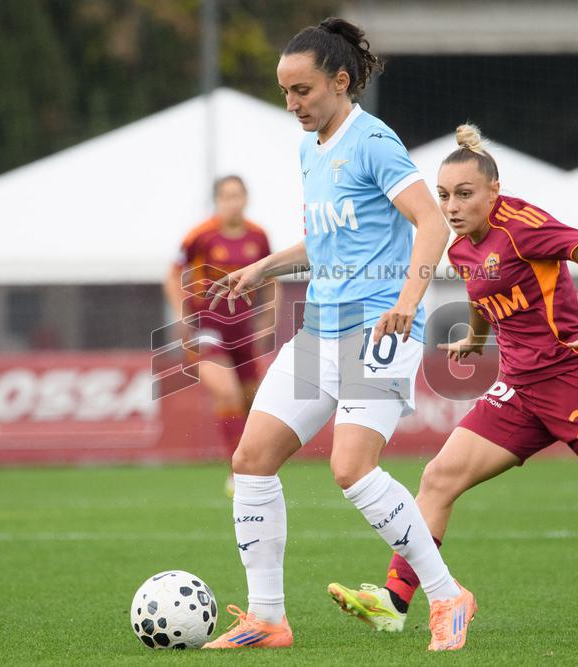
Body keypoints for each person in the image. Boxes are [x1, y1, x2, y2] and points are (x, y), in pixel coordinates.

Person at [327, 124, 578, 634]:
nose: (451, 207)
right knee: (437, 478)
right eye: (444, 196)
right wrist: (476, 339)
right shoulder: (460, 249)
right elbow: (482, 294)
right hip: (518, 389)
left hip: (576, 378)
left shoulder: (520, 225)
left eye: (464, 195)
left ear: (493, 191)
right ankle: (395, 601)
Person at [200, 18, 476, 651]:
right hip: (318, 329)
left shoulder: (374, 140)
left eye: (303, 91)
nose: (293, 105)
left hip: (374, 330)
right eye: (286, 93)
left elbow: (432, 225)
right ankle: (268, 619)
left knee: (351, 468)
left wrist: (408, 303)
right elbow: (327, 240)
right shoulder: (310, 149)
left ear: (340, 81)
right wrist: (262, 266)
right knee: (251, 461)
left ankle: (447, 597)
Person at [164, 175, 273, 495]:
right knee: (227, 394)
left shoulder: (259, 236)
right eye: (226, 196)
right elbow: (172, 276)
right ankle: (237, 470)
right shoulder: (200, 235)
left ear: (246, 198)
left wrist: (268, 317)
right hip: (207, 327)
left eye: (237, 195)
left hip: (244, 328)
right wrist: (182, 315)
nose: (232, 202)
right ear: (217, 200)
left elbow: (271, 275)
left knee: (253, 401)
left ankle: (253, 467)